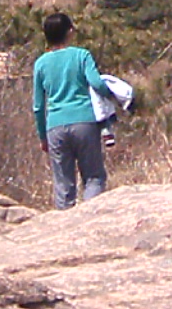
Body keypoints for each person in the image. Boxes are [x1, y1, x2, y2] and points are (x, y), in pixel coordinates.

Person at [31, 12, 114, 209]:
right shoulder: (81, 55)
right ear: (69, 32)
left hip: (55, 127)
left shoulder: (40, 63)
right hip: (85, 122)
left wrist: (42, 136)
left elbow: (38, 106)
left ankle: (65, 226)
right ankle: (91, 220)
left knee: (63, 185)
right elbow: (96, 83)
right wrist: (111, 93)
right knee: (94, 177)